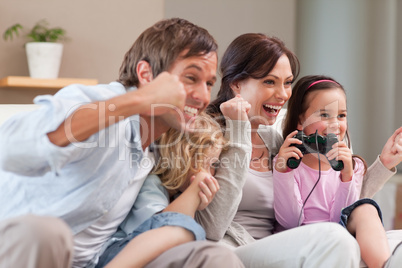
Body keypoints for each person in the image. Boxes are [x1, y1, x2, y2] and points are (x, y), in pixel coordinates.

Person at [0, 18, 245, 268]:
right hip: (26, 247)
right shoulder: (101, 104)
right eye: (191, 78)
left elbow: (161, 227)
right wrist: (141, 99)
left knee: (214, 257)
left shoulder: (155, 151)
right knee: (48, 232)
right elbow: (11, 147)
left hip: (97, 260)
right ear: (145, 74)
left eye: (209, 83)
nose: (203, 96)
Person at [205, 33, 402, 267]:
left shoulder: (274, 140)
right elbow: (213, 228)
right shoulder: (207, 137)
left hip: (286, 244)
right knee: (335, 239)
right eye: (270, 81)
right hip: (236, 250)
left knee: (396, 242)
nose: (283, 94)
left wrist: (383, 165)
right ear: (236, 84)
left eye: (287, 82)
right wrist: (238, 130)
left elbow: (341, 203)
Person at [273, 75, 390, 268]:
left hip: (338, 238)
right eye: (324, 115)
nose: (335, 124)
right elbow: (290, 222)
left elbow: (342, 219)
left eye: (341, 115)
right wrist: (284, 172)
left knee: (366, 209)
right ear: (300, 121)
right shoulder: (288, 163)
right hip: (299, 241)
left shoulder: (353, 167)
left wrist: (346, 177)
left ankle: (385, 264)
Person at [95, 113, 227, 267]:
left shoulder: (176, 193)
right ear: (183, 160)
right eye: (209, 165)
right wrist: (195, 192)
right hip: (118, 253)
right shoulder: (151, 183)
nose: (212, 174)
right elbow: (164, 227)